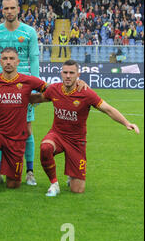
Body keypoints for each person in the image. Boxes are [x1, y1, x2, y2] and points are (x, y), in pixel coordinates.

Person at [30, 59, 140, 196]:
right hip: (57, 135)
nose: (68, 76)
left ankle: (72, 176)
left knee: (77, 190)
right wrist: (17, 97)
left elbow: (108, 109)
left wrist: (126, 123)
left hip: (76, 142)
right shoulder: (54, 89)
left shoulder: (86, 93)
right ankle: (54, 184)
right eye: (65, 72)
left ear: (78, 75)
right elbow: (38, 98)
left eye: (71, 73)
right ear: (61, 73)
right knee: (45, 147)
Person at [0, 0, 41, 186]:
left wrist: (36, 87)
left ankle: (30, 171)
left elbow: (34, 59)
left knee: (27, 128)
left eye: (12, 8)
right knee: (0, 128)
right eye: (6, 8)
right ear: (1, 10)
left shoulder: (29, 32)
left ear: (18, 10)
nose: (9, 11)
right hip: (0, 89)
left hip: (23, 89)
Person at [0, 47, 48, 194]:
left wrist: (34, 99)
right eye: (5, 58)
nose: (8, 62)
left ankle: (13, 174)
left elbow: (50, 90)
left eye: (11, 59)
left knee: (13, 184)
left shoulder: (28, 81)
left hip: (16, 137)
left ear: (18, 62)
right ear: (0, 61)